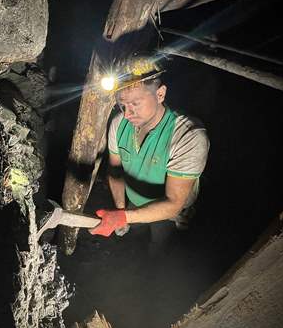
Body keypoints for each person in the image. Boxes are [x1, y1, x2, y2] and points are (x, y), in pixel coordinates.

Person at [90, 57, 210, 257]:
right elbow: (115, 171)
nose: (128, 113)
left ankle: (154, 267)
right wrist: (121, 211)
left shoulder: (187, 135)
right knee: (136, 232)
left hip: (166, 210)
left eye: (135, 104)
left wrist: (123, 217)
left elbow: (172, 204)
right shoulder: (119, 124)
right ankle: (135, 253)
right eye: (122, 105)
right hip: (134, 201)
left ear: (160, 94)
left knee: (159, 241)